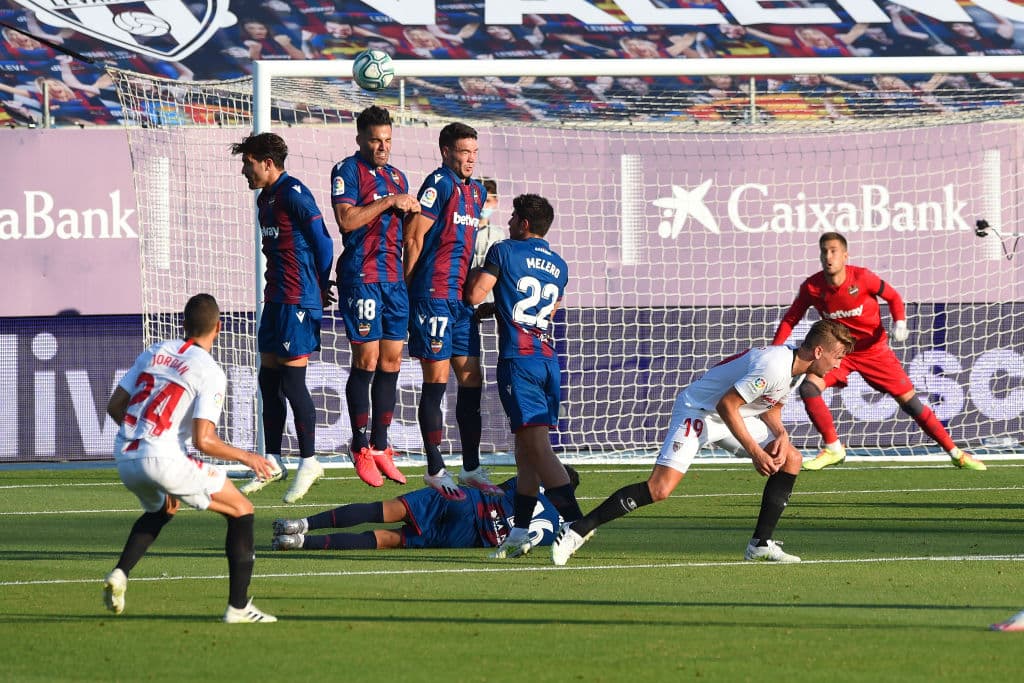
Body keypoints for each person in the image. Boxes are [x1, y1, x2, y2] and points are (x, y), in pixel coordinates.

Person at [551, 319, 855, 566]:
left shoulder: (797, 368)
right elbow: (727, 404)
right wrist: (754, 452)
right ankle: (576, 529)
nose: (838, 365)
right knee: (659, 489)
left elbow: (771, 406)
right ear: (818, 352)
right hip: (699, 412)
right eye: (837, 357)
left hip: (731, 417)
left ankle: (760, 544)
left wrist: (781, 434)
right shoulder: (776, 364)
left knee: (792, 458)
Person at [103, 293, 278, 623]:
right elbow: (204, 440)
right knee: (242, 510)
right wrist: (248, 457)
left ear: (183, 324)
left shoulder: (155, 351)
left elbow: (114, 407)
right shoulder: (209, 370)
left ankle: (120, 574)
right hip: (162, 458)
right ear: (219, 327)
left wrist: (143, 443)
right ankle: (238, 608)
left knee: (164, 508)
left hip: (125, 455)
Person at [772, 232, 986, 472]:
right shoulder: (812, 286)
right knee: (808, 387)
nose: (828, 256)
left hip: (874, 352)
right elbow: (791, 318)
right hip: (841, 354)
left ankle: (956, 453)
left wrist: (900, 322)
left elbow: (893, 297)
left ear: (845, 255)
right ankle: (833, 448)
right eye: (824, 251)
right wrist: (776, 348)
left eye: (833, 251)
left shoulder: (862, 277)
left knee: (911, 404)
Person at [464, 193, 584, 559]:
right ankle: (519, 532)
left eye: (515, 216)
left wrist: (474, 279)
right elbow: (547, 309)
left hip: (519, 359)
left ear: (525, 224)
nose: (511, 221)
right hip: (548, 360)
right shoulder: (560, 265)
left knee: (538, 448)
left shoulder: (504, 250)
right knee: (525, 452)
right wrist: (497, 310)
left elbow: (473, 294)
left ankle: (579, 523)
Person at [230, 132, 336, 502]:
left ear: (267, 163)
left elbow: (323, 242)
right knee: (268, 379)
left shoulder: (294, 193)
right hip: (275, 299)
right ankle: (273, 459)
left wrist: (320, 287)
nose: (245, 170)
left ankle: (309, 460)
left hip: (297, 300)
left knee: (293, 383)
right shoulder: (265, 199)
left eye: (248, 163)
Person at [403, 121, 500, 501]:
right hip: (432, 294)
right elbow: (414, 237)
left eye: (474, 152)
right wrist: (410, 292)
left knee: (471, 377)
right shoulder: (438, 184)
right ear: (446, 151)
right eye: (464, 152)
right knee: (437, 380)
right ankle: (434, 467)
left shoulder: (477, 192)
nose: (471, 159)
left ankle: (471, 466)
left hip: (460, 300)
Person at [331, 105, 420, 488]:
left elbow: (410, 228)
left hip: (393, 279)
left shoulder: (397, 175)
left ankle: (382, 447)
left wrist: (413, 208)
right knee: (365, 360)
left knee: (392, 360)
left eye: (387, 141)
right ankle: (360, 445)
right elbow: (346, 220)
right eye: (375, 141)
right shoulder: (346, 171)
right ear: (360, 140)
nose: (382, 148)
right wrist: (390, 201)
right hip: (362, 277)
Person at [270, 466, 580, 552]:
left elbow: (504, 490)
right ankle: (298, 543)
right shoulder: (555, 529)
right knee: (388, 539)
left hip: (465, 503)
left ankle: (300, 525)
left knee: (383, 509)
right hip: (466, 538)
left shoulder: (533, 483)